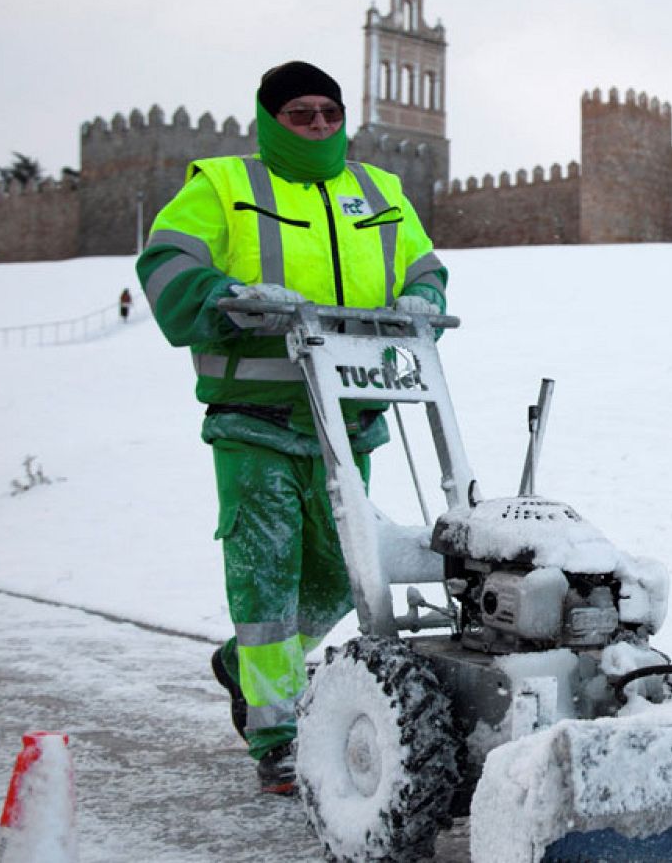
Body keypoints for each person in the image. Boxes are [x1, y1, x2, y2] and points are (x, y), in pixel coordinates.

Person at [133, 61, 447, 795]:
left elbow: (424, 265)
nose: (317, 126)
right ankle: (277, 734)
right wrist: (226, 296)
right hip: (258, 417)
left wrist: (423, 298)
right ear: (272, 120)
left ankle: (246, 665)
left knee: (347, 569)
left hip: (348, 415)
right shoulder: (224, 186)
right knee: (268, 575)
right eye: (300, 114)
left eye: (328, 114)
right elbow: (166, 265)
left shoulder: (379, 191)